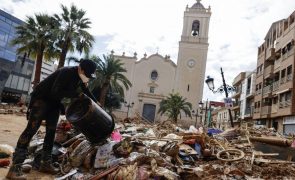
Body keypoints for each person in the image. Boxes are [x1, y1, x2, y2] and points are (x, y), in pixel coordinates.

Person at [6, 59, 98, 179]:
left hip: (54, 102)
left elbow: (85, 90)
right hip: (41, 99)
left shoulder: (79, 77)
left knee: (51, 132)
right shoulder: (66, 72)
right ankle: (15, 167)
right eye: (86, 74)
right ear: (80, 69)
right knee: (31, 130)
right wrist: (76, 94)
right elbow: (56, 91)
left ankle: (45, 163)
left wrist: (96, 103)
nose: (87, 78)